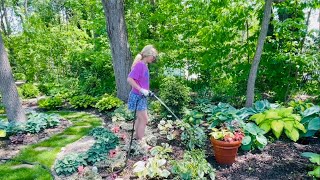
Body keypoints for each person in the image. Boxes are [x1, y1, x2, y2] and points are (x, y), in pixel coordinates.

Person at [127, 45, 158, 148]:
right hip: (137, 96)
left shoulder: (145, 66)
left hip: (141, 96)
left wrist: (147, 91)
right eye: (153, 56)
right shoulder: (140, 65)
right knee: (144, 119)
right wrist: (141, 90)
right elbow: (129, 79)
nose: (154, 58)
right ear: (148, 54)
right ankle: (141, 141)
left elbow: (141, 82)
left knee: (140, 119)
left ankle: (137, 137)